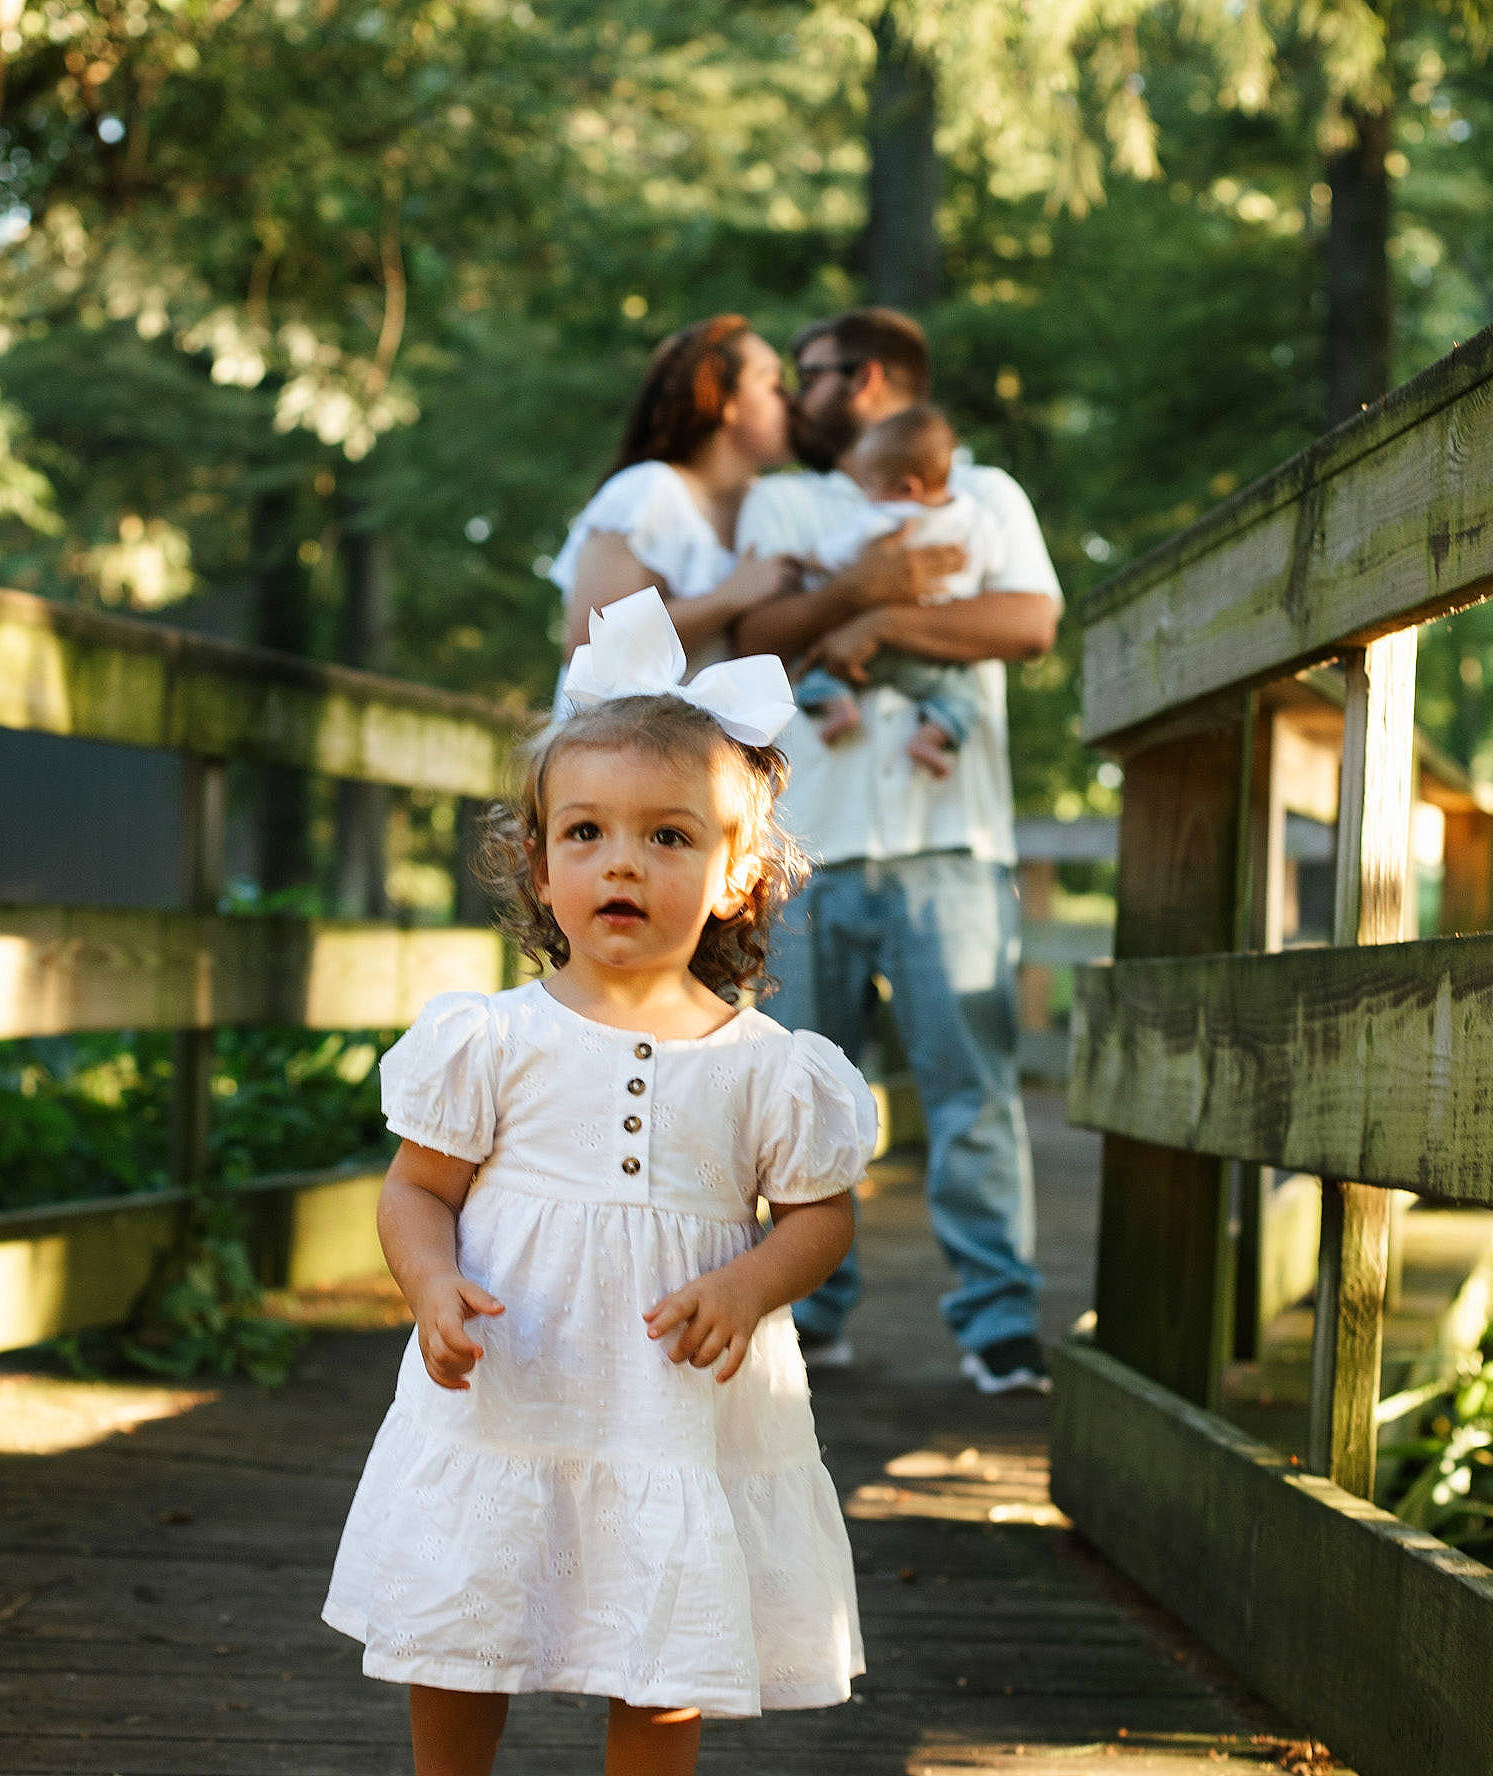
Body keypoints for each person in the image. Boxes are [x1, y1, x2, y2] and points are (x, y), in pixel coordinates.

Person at [324, 590, 877, 1776]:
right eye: (586, 833)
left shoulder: (768, 1071)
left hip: (670, 1404)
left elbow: (820, 1215)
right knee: (465, 1612)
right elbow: (416, 1191)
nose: (621, 860)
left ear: (737, 874)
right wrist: (428, 1286)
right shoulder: (493, 1040)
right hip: (510, 1382)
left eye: (668, 836)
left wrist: (748, 1285)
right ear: (537, 862)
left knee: (662, 1628)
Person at [731, 308, 1063, 1396]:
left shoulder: (987, 492)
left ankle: (997, 1327)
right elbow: (750, 640)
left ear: (866, 379)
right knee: (797, 1096)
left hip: (950, 846)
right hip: (802, 848)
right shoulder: (784, 501)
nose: (791, 397)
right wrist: (872, 591)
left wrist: (868, 622)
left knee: (971, 1087)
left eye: (810, 374)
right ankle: (803, 1317)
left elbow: (1022, 624)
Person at [551, 314, 800, 691]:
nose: (791, 401)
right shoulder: (648, 491)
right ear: (723, 400)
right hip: (623, 745)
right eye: (772, 382)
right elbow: (590, 646)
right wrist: (728, 598)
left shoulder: (768, 504)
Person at [791, 404, 1007, 780]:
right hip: (934, 650)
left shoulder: (886, 517)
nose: (867, 495)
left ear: (908, 488)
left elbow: (837, 553)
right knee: (963, 700)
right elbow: (993, 563)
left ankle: (838, 706)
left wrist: (811, 560)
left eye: (871, 484)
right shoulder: (978, 519)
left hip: (871, 651)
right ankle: (929, 739)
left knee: (816, 673)